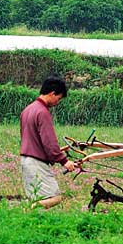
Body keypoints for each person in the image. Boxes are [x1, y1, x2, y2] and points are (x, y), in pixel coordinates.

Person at [19, 76, 76, 209]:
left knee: (36, 196)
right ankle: (26, 209)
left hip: (26, 160)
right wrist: (64, 161)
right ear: (52, 93)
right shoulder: (42, 112)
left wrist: (56, 152)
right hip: (36, 163)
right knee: (54, 197)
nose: (57, 102)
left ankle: (27, 219)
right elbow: (49, 141)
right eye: (59, 98)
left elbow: (33, 138)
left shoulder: (27, 110)